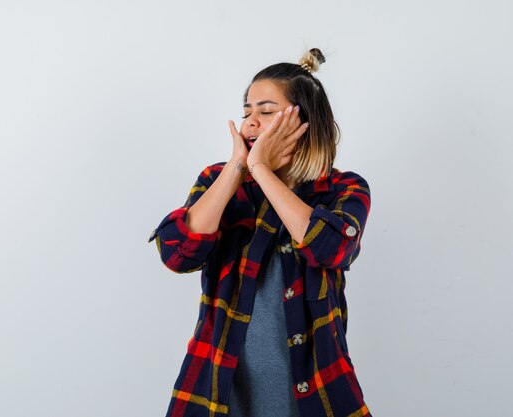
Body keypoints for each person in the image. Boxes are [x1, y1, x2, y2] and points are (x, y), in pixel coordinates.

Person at [148, 48, 372, 417]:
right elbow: (177, 253)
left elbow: (331, 249)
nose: (250, 122)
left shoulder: (342, 189)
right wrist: (239, 167)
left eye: (265, 111)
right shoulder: (218, 181)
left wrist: (263, 171)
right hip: (218, 389)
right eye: (247, 111)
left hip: (315, 389)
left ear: (305, 120)